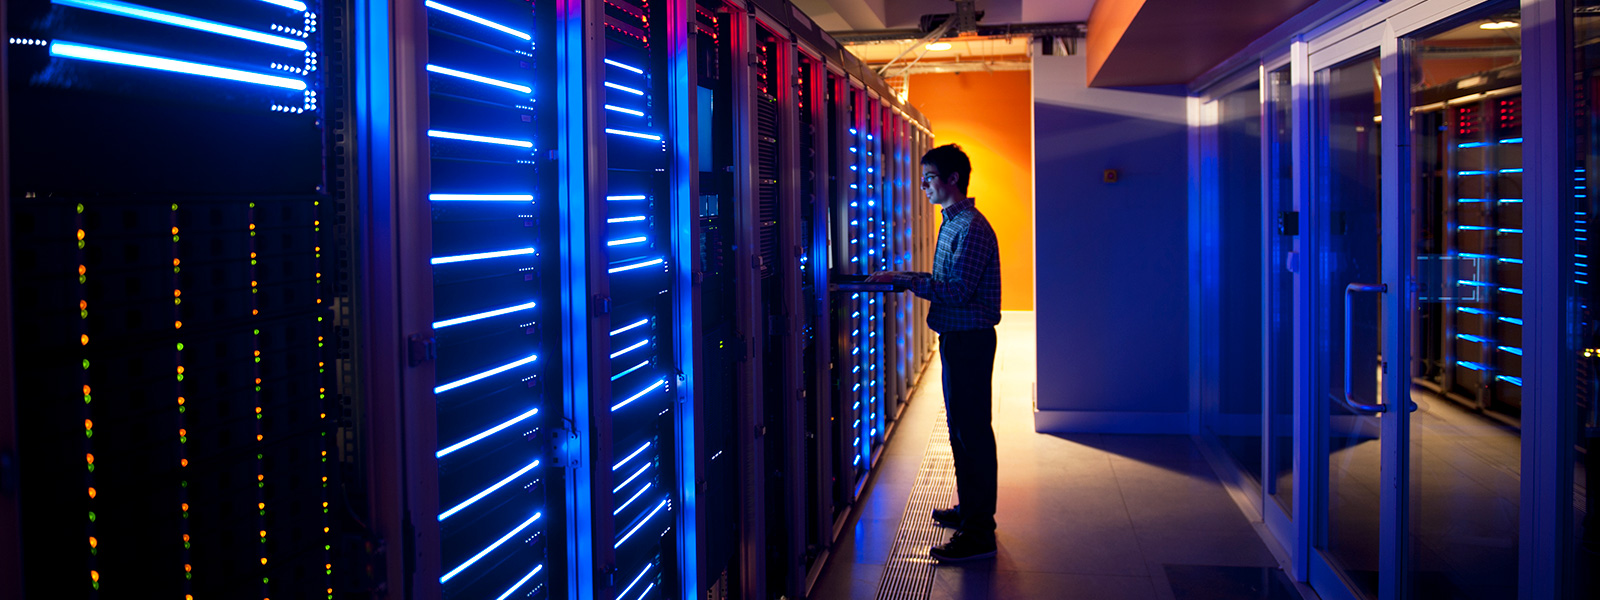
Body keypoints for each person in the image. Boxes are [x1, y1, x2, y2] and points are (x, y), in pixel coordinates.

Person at [867, 143, 1001, 562]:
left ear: (952, 179)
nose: (922, 185)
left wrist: (906, 282)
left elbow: (958, 291)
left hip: (970, 341)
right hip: (957, 340)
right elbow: (947, 280)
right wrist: (903, 275)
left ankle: (980, 532)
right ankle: (970, 510)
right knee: (961, 431)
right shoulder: (952, 223)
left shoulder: (971, 228)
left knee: (973, 433)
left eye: (927, 178)